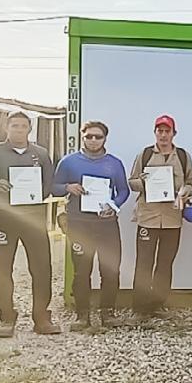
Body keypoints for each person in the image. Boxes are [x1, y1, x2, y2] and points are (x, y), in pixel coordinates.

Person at [0, 112, 60, 337]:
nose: (19, 129)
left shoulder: (41, 154)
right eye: (14, 125)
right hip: (3, 218)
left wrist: (33, 193)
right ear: (6, 128)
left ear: (30, 129)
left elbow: (48, 185)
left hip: (33, 218)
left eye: (23, 126)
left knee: (41, 267)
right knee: (3, 268)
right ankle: (7, 318)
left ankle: (41, 317)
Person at [52, 120, 130, 331]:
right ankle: (82, 315)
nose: (93, 140)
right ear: (82, 137)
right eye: (89, 136)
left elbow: (124, 190)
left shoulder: (114, 163)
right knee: (81, 271)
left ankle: (108, 313)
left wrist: (113, 205)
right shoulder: (68, 162)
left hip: (106, 224)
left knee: (110, 270)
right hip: (79, 224)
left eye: (98, 137)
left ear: (105, 139)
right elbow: (53, 187)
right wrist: (68, 187)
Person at [126, 115, 192, 321]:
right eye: (160, 131)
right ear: (155, 133)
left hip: (172, 218)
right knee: (144, 263)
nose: (163, 135)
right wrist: (145, 182)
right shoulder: (145, 154)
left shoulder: (182, 156)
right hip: (148, 217)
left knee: (165, 264)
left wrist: (185, 191)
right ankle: (139, 308)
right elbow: (132, 182)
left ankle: (157, 304)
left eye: (167, 131)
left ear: (174, 133)